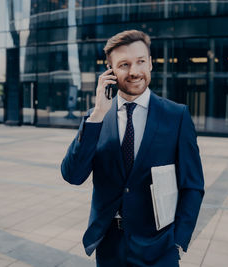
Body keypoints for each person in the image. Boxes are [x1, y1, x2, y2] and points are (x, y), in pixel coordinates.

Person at [61, 30, 204, 267]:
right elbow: (73, 176)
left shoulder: (176, 116)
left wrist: (178, 240)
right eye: (124, 64)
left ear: (150, 63)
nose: (134, 71)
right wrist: (97, 114)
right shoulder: (96, 118)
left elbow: (193, 185)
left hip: (159, 247)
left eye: (140, 62)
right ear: (110, 70)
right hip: (109, 247)